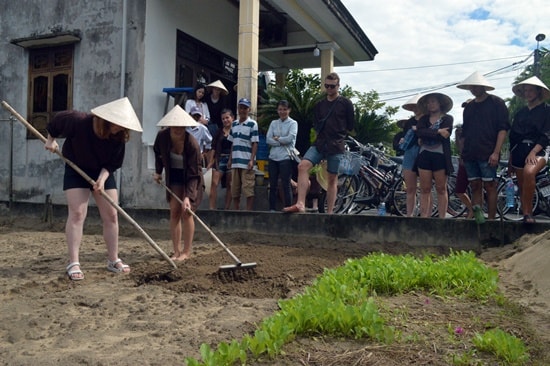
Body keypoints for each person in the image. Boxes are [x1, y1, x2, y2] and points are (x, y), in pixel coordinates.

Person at [44, 97, 142, 281]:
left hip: (102, 171)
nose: (119, 129)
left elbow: (113, 163)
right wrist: (51, 140)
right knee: (78, 213)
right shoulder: (78, 121)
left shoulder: (119, 137)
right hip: (76, 167)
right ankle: (73, 262)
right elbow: (55, 124)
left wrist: (102, 179)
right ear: (106, 120)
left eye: (122, 126)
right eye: (117, 124)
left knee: (111, 215)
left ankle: (113, 260)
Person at [283, 72, 354, 214]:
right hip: (320, 142)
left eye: (332, 86)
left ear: (338, 86)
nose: (329, 89)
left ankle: (330, 212)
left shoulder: (346, 103)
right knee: (303, 166)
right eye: (326, 86)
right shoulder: (319, 104)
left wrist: (339, 134)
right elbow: (316, 124)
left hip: (336, 143)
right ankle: (300, 203)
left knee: (332, 178)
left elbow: (351, 125)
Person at [153, 105, 204, 260]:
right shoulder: (162, 137)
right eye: (174, 127)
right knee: (174, 210)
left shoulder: (192, 143)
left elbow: (194, 173)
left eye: (181, 127)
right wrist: (158, 171)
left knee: (187, 212)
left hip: (191, 178)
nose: (178, 130)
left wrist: (188, 196)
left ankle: (186, 252)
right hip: (173, 176)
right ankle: (176, 250)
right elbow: (158, 153)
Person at [457, 71, 509, 220]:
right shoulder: (469, 107)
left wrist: (496, 152)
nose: (474, 89)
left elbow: (503, 129)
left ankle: (491, 220)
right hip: (470, 153)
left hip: (488, 151)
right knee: (474, 185)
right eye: (471, 87)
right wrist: (462, 154)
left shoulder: (496, 103)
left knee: (490, 186)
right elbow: (465, 134)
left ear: (483, 87)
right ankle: (479, 220)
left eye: (476, 86)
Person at [508, 76, 550, 224]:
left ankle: (528, 214)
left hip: (539, 148)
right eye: (525, 90)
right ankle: (527, 213)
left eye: (531, 90)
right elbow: (513, 136)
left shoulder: (547, 111)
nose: (528, 93)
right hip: (519, 149)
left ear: (538, 92)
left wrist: (533, 151)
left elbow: (546, 135)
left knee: (529, 172)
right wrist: (510, 160)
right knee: (521, 183)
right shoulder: (520, 113)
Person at [415, 92, 454, 218]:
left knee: (441, 188)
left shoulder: (447, 118)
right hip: (424, 155)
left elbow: (445, 134)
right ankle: (424, 216)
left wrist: (429, 133)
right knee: (425, 188)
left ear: (440, 103)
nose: (431, 104)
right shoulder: (423, 119)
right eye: (428, 102)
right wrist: (437, 131)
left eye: (433, 101)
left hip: (440, 155)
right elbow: (420, 133)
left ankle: (442, 218)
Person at [266, 100, 299, 211]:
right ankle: (272, 209)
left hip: (286, 157)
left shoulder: (293, 123)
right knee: (273, 184)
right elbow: (268, 139)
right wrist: (281, 141)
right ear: (277, 110)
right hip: (273, 157)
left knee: (286, 183)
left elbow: (290, 139)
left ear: (289, 110)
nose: (282, 112)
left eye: (285, 109)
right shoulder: (273, 123)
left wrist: (277, 139)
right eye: (280, 109)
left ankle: (288, 207)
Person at [228, 98, 259, 210]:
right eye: (241, 107)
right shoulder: (234, 124)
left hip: (246, 161)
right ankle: (236, 211)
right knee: (234, 189)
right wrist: (230, 159)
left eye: (245, 108)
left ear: (249, 109)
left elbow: (255, 143)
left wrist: (251, 160)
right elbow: (232, 142)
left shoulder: (253, 124)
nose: (242, 110)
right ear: (238, 109)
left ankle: (248, 211)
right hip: (236, 161)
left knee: (248, 188)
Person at [399, 94, 423, 217]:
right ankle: (409, 214)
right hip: (409, 152)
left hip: (423, 151)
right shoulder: (409, 122)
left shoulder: (427, 120)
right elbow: (406, 136)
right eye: (413, 106)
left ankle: (425, 215)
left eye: (417, 106)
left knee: (425, 187)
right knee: (410, 187)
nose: (415, 108)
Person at [208, 108, 234, 210]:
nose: (225, 120)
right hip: (220, 159)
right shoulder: (218, 132)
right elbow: (213, 147)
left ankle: (226, 209)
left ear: (232, 118)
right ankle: (212, 208)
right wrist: (211, 161)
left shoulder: (235, 132)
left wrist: (231, 160)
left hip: (231, 160)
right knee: (214, 183)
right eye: (223, 119)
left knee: (230, 185)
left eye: (227, 118)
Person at [454, 123, 474, 219]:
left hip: (472, 162)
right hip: (463, 164)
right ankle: (471, 209)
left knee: (477, 188)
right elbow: (459, 148)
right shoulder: (461, 137)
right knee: (459, 190)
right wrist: (457, 136)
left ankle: (473, 211)